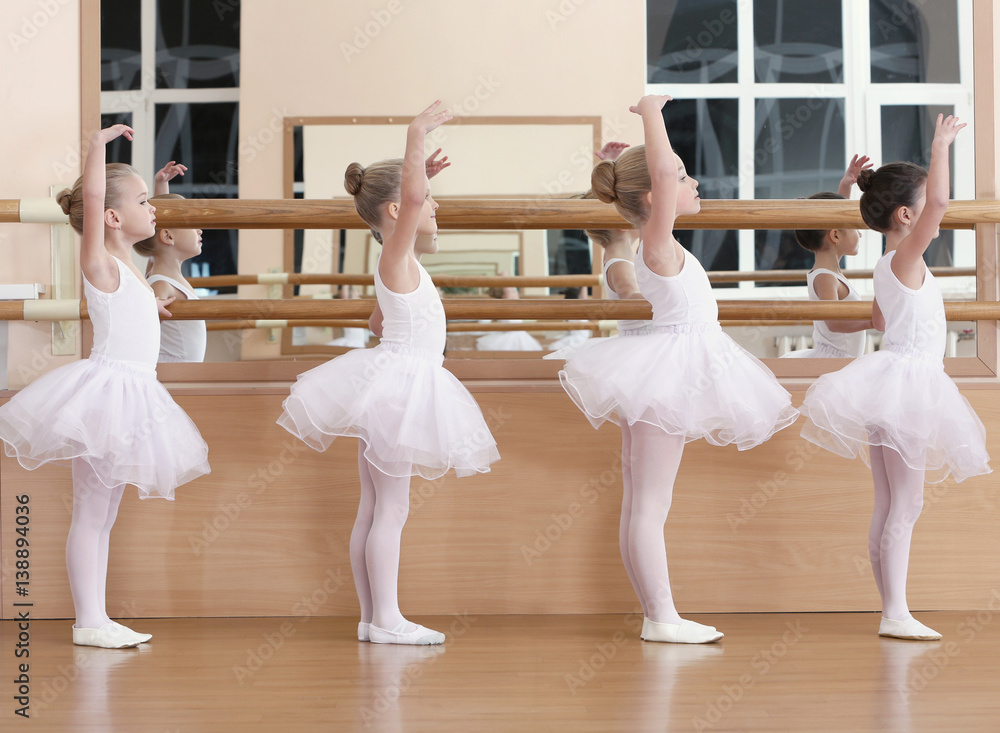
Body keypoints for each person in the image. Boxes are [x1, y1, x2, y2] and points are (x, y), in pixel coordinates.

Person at [553, 95, 799, 643]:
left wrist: (630, 152)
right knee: (649, 504)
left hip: (668, 368)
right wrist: (651, 115)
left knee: (644, 500)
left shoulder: (659, 246)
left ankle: (657, 614)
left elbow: (657, 177)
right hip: (670, 372)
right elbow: (662, 173)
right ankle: (661, 617)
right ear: (655, 196)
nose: (692, 183)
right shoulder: (657, 245)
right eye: (683, 177)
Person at [277, 102, 499, 645]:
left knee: (375, 507)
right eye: (426, 200)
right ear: (399, 210)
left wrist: (418, 176)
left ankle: (372, 617)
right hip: (402, 385)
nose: (435, 205)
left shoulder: (399, 266)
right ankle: (387, 619)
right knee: (391, 509)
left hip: (390, 381)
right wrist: (416, 138)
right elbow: (416, 199)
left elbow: (380, 320)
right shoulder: (397, 255)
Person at [0, 126, 210, 648]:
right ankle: (89, 621)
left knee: (104, 515)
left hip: (133, 393)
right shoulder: (100, 262)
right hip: (106, 394)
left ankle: (97, 616)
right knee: (92, 513)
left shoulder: (134, 271)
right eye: (143, 202)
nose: (154, 210)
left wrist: (156, 187)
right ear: (111, 218)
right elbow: (94, 198)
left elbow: (138, 300)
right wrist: (97, 147)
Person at [800, 115, 991, 640]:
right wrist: (941, 146)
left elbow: (888, 317)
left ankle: (892, 609)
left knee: (891, 503)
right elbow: (943, 206)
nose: (934, 210)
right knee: (905, 504)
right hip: (909, 385)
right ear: (908, 215)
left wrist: (848, 185)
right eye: (924, 203)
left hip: (894, 383)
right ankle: (896, 612)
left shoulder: (891, 263)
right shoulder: (905, 256)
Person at [783, 155, 875, 358]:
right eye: (855, 228)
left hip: (841, 360)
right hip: (834, 362)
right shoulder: (826, 278)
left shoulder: (828, 271)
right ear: (835, 236)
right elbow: (833, 323)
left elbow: (838, 220)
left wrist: (846, 184)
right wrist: (872, 320)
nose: (860, 233)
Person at [134, 161, 207, 362]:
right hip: (173, 377)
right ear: (168, 237)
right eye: (192, 224)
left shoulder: (159, 272)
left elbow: (158, 224)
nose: (200, 229)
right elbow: (142, 336)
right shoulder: (161, 284)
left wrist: (162, 184)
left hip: (183, 377)